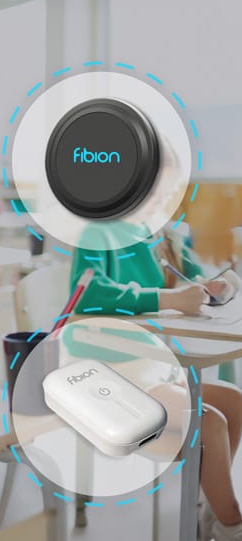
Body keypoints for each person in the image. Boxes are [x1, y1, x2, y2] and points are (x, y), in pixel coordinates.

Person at [71, 221, 241, 541]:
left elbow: (198, 276)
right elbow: (89, 295)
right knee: (209, 423)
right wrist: (169, 299)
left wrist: (214, 288)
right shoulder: (98, 234)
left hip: (151, 370)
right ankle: (231, 523)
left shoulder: (161, 236)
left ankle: (210, 510)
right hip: (110, 379)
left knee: (234, 402)